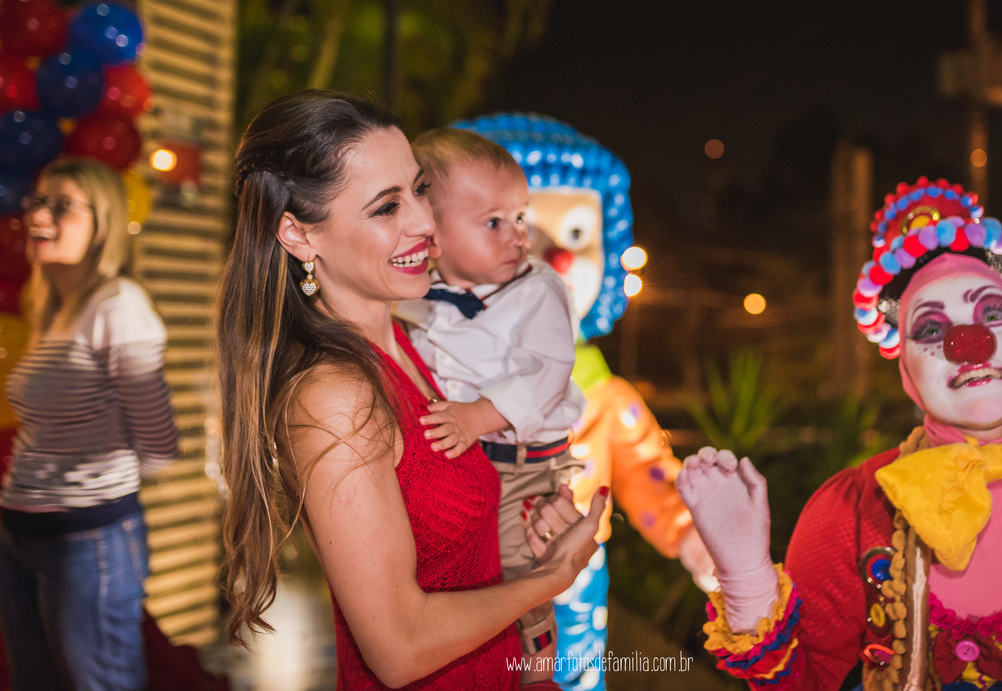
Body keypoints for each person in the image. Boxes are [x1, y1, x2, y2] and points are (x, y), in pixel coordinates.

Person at [676, 177, 1002, 691]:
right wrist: (746, 576)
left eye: (993, 313)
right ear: (907, 373)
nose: (967, 342)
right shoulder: (853, 512)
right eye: (930, 329)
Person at [217, 89, 604, 691]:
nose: (425, 222)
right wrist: (550, 577)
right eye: (386, 207)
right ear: (297, 235)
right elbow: (398, 649)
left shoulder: (418, 344)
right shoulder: (336, 398)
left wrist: (528, 528)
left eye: (420, 190)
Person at [452, 112, 716, 691]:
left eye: (577, 236)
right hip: (459, 596)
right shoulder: (438, 373)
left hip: (572, 595)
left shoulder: (604, 397)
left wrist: (693, 535)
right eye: (524, 227)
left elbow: (650, 476)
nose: (559, 259)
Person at [393, 127, 586, 683]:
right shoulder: (426, 295)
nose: (517, 236)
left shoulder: (537, 290)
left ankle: (536, 670)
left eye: (520, 217)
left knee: (517, 569)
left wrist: (477, 416)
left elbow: (547, 372)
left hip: (522, 465)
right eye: (493, 222)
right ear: (433, 236)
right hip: (472, 456)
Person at [0, 157, 180, 691]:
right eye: (38, 202)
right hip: (20, 536)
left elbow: (158, 442)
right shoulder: (53, 307)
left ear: (103, 224)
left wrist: (88, 483)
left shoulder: (119, 305)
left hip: (86, 543)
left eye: (61, 207)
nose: (39, 216)